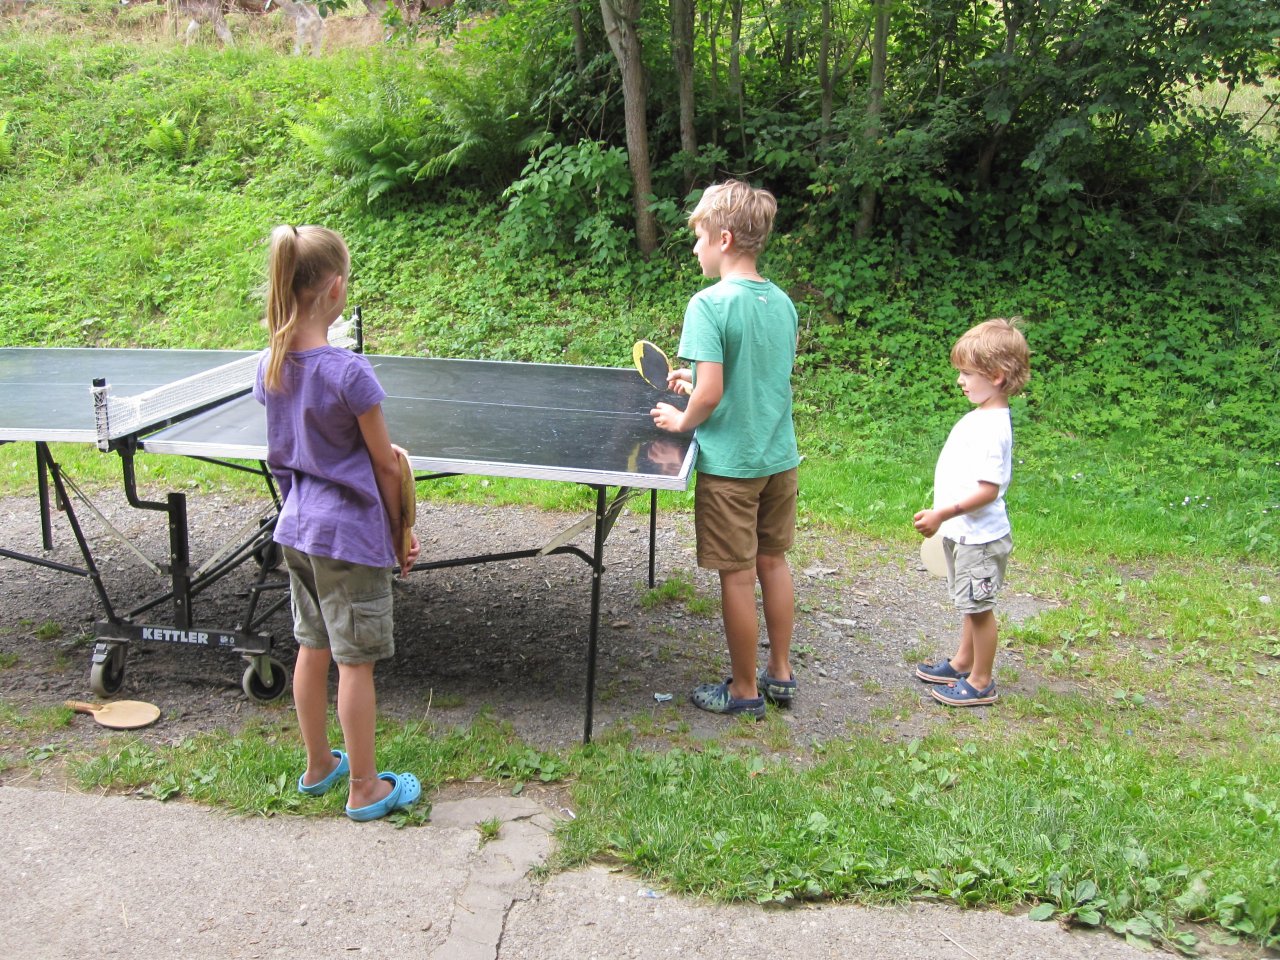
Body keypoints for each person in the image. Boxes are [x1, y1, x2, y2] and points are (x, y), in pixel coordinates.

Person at [253, 223, 423, 821]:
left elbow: (282, 453)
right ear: (334, 288)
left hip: (296, 529)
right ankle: (365, 788)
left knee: (312, 646)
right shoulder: (350, 372)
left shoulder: (270, 365)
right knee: (355, 662)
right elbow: (386, 463)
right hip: (347, 536)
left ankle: (319, 764)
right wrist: (400, 531)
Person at [651, 181, 801, 720]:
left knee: (737, 576)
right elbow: (754, 373)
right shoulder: (782, 303)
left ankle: (743, 690)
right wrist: (694, 377)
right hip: (779, 460)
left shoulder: (708, 304)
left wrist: (682, 417)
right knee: (773, 563)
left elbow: (712, 395)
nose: (695, 248)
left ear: (724, 238)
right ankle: (780, 673)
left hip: (732, 468)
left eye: (698, 238)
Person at [912, 318, 1030, 706]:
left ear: (996, 376)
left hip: (980, 539)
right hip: (966, 534)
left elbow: (988, 491)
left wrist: (942, 514)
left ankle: (981, 681)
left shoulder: (993, 428)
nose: (960, 380)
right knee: (969, 602)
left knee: (980, 610)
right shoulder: (982, 416)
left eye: (967, 373)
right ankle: (963, 662)